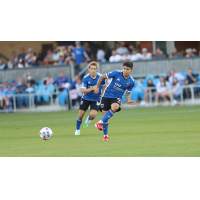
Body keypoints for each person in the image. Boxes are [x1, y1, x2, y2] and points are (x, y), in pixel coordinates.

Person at [94, 61, 136, 141]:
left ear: (131, 70)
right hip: (106, 95)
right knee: (104, 116)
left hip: (116, 98)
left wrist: (128, 100)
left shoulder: (131, 82)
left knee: (115, 107)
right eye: (124, 68)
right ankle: (105, 136)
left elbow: (127, 94)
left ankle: (99, 123)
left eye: (127, 69)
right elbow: (102, 77)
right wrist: (97, 87)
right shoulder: (116, 73)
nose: (125, 70)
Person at [75, 61, 107, 136]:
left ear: (96, 69)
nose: (93, 70)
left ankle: (88, 119)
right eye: (91, 68)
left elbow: (105, 86)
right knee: (81, 114)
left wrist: (102, 96)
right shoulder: (85, 78)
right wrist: (93, 88)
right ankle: (77, 130)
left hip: (96, 99)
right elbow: (83, 90)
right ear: (89, 69)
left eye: (94, 68)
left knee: (93, 115)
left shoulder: (101, 77)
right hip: (86, 98)